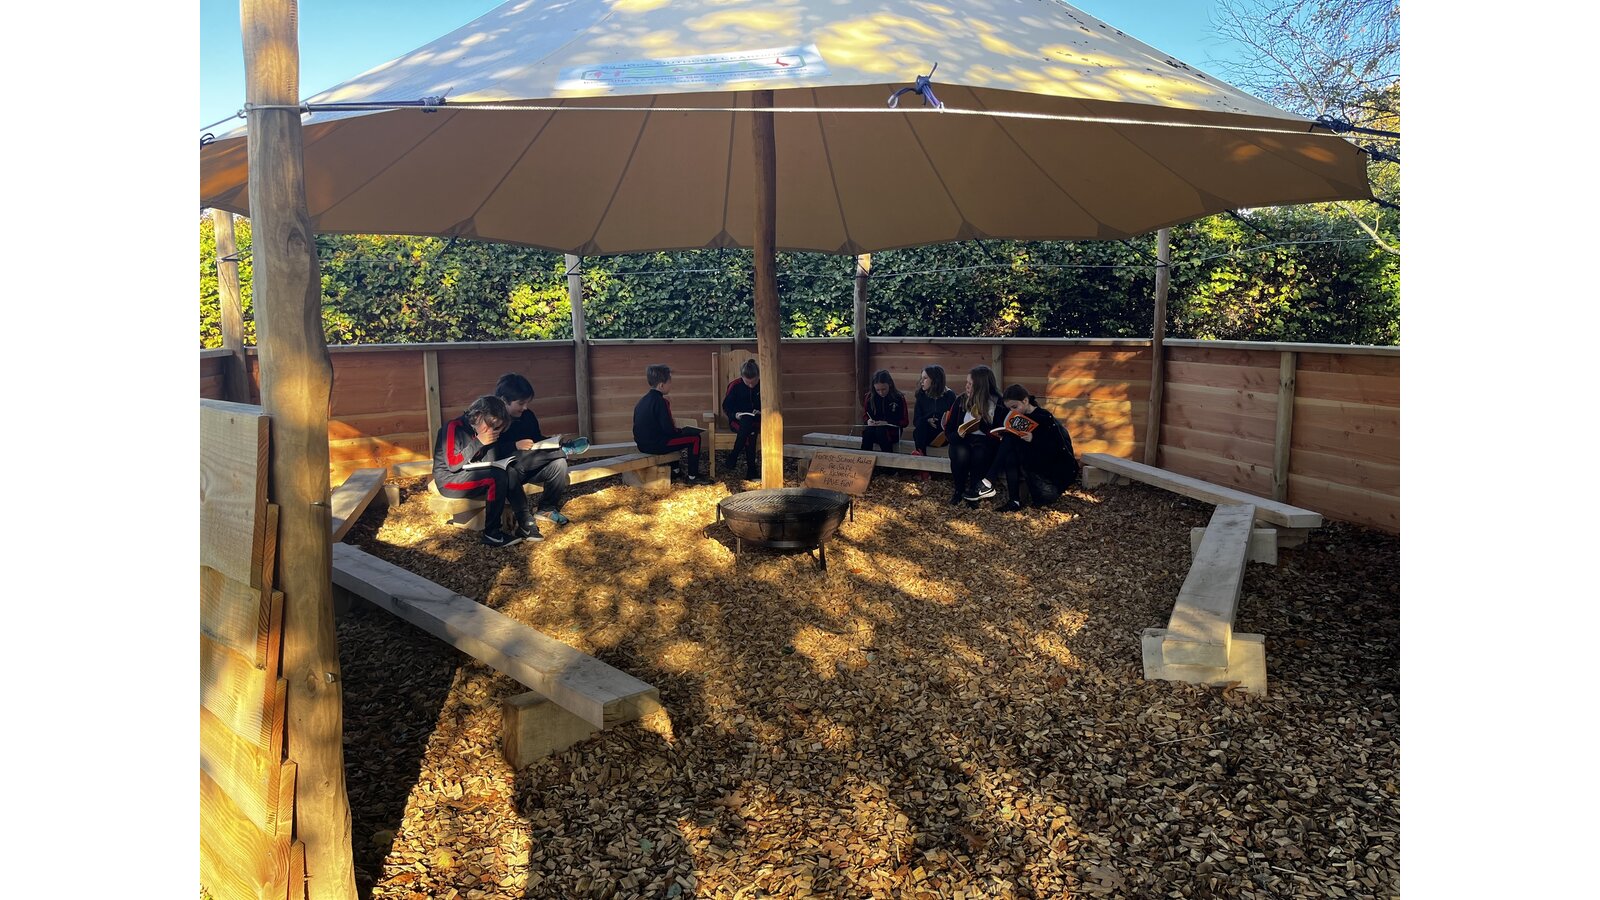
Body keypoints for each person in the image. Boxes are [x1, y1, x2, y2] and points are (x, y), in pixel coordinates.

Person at [432, 395, 536, 547]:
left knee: (509, 471)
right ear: (478, 416)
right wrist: (479, 442)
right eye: (490, 426)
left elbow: (491, 460)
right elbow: (453, 464)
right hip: (449, 481)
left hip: (473, 475)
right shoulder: (453, 427)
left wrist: (489, 444)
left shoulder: (487, 431)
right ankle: (492, 533)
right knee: (496, 477)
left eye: (497, 428)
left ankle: (526, 523)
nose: (491, 431)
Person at [966, 384, 1081, 510]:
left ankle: (988, 482)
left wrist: (1033, 439)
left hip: (1047, 481)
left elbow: (1056, 449)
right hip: (1028, 467)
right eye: (1010, 409)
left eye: (1015, 407)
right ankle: (1013, 501)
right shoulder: (1017, 416)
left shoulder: (1044, 417)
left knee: (1010, 440)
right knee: (1009, 447)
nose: (1012, 411)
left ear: (1025, 401)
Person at [492, 372, 584, 529]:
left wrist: (552, 441)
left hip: (532, 465)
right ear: (504, 400)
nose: (525, 407)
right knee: (522, 456)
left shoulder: (527, 415)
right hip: (510, 472)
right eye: (521, 403)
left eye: (527, 403)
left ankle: (547, 508)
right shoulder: (493, 419)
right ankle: (563, 450)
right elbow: (490, 451)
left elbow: (536, 438)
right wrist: (515, 445)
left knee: (559, 464)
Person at [943, 365, 1005, 506]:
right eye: (967, 383)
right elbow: (949, 430)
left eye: (970, 384)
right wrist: (959, 434)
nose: (967, 386)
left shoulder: (997, 403)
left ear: (981, 386)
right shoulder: (961, 400)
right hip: (963, 439)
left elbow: (1000, 434)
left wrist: (981, 423)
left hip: (986, 442)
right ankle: (958, 490)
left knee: (980, 453)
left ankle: (975, 491)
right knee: (960, 452)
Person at [632, 363, 705, 484]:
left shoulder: (642, 401)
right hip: (655, 445)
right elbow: (669, 430)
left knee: (674, 438)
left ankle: (675, 470)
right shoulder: (661, 402)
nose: (671, 385)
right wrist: (682, 431)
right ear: (661, 385)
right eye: (669, 382)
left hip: (642, 444)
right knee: (695, 438)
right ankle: (693, 476)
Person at [721, 359, 762, 480]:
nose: (751, 385)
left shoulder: (763, 384)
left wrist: (761, 411)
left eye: (754, 382)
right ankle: (751, 469)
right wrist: (735, 415)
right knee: (749, 430)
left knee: (749, 427)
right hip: (737, 420)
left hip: (757, 420)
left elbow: (769, 404)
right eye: (747, 383)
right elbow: (726, 406)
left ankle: (734, 455)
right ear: (742, 377)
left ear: (758, 377)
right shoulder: (735, 385)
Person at [911, 365, 956, 456]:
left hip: (943, 435)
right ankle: (921, 454)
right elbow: (916, 421)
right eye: (921, 378)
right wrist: (927, 420)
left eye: (925, 378)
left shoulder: (949, 395)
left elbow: (954, 420)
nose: (921, 381)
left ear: (935, 380)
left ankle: (921, 453)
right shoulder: (921, 395)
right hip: (925, 433)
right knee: (919, 428)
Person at [860, 369, 909, 452]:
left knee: (881, 431)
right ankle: (865, 458)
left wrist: (887, 422)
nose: (881, 393)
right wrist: (868, 421)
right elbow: (865, 415)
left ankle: (888, 458)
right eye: (877, 390)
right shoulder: (869, 397)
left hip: (892, 432)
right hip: (873, 431)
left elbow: (905, 422)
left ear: (890, 384)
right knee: (868, 431)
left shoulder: (898, 398)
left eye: (884, 389)